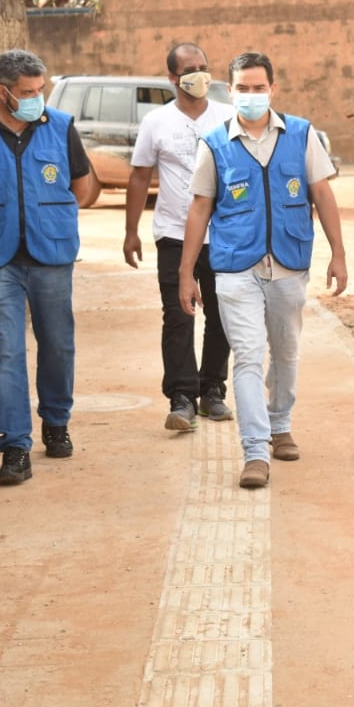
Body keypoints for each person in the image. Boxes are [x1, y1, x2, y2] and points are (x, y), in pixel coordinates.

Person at [179, 51, 347, 490]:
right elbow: (199, 209)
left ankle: (280, 423)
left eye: (259, 88)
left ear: (273, 89)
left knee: (286, 351)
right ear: (229, 91)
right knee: (249, 357)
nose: (251, 96)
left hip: (289, 264)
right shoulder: (214, 143)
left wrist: (339, 253)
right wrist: (186, 273)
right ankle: (255, 450)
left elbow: (322, 194)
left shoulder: (301, 135)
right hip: (235, 268)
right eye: (243, 89)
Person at [0, 49, 90, 486]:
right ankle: (14, 446)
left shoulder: (61, 127)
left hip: (51, 256)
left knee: (57, 343)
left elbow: (82, 188)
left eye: (40, 90)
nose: (37, 98)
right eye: (27, 92)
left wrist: (49, 218)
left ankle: (56, 419)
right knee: (6, 351)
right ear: (3, 92)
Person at [124, 43, 236, 432]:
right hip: (173, 233)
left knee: (222, 314)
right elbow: (140, 176)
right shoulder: (157, 122)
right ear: (172, 78)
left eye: (204, 67)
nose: (199, 75)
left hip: (222, 235)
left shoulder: (228, 117)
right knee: (177, 315)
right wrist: (130, 231)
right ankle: (182, 397)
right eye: (190, 69)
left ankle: (213, 390)